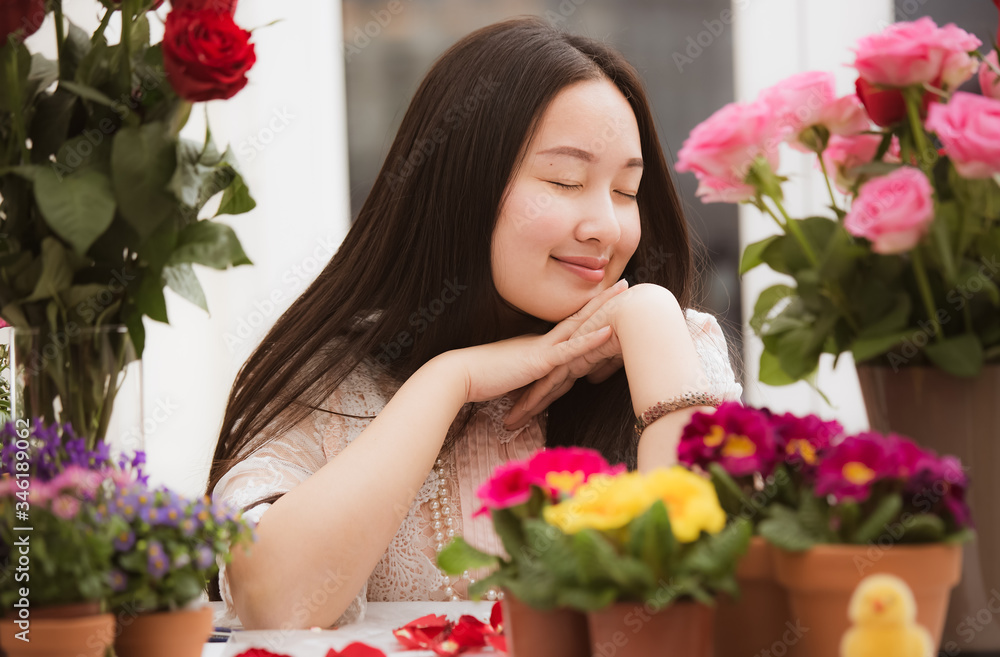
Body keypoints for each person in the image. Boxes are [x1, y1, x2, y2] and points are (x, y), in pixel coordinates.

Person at [206, 16, 743, 631]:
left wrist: (649, 314)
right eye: (565, 180)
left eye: (627, 190)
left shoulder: (668, 348)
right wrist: (449, 380)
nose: (607, 226)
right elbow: (277, 602)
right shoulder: (334, 380)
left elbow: (714, 600)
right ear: (461, 185)